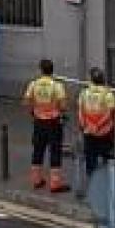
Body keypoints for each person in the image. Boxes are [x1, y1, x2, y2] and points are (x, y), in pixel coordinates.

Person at [23, 58, 70, 192]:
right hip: (54, 122)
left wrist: (34, 110)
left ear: (41, 70)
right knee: (55, 151)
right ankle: (55, 184)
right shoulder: (57, 85)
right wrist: (60, 112)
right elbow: (63, 105)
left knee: (38, 149)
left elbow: (26, 101)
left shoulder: (33, 84)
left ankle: (36, 180)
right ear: (52, 70)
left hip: (38, 122)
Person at [77, 67, 115, 178]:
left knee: (90, 157)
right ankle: (108, 180)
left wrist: (84, 125)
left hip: (89, 131)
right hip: (105, 132)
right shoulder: (108, 94)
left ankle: (92, 180)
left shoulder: (84, 93)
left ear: (91, 79)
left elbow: (81, 111)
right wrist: (98, 125)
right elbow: (110, 113)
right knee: (108, 156)